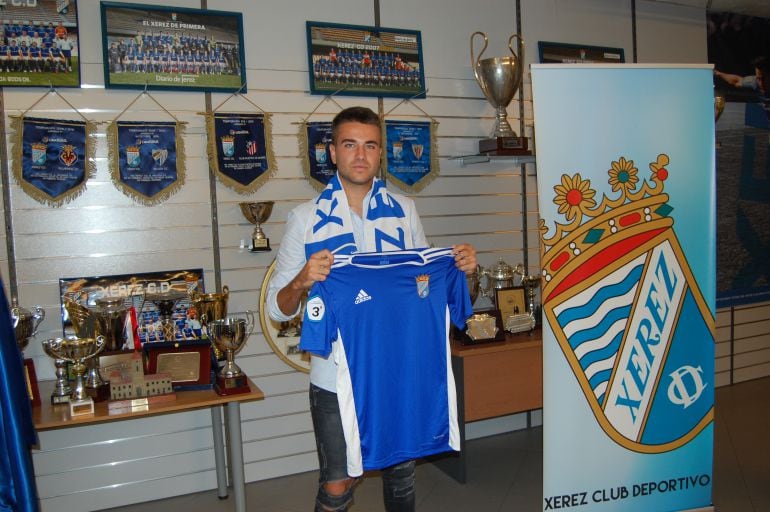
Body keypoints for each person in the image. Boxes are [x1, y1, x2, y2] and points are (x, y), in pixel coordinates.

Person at [266, 106, 477, 512]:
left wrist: (461, 269)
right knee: (336, 486)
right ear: (333, 152)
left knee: (401, 477)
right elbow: (278, 310)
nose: (360, 155)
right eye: (350, 145)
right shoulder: (305, 219)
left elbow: (423, 287)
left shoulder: (404, 210)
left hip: (397, 369)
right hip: (334, 376)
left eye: (370, 146)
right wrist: (302, 280)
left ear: (381, 153)